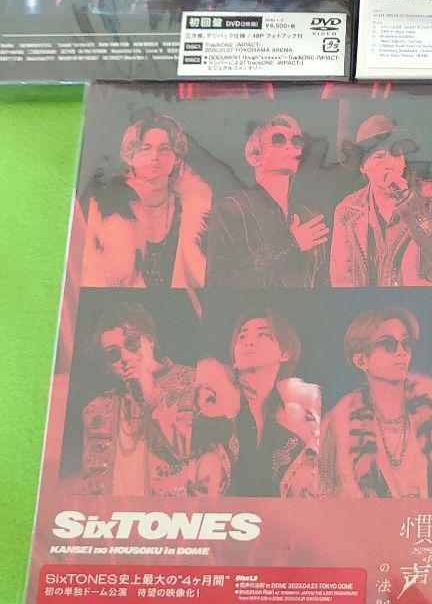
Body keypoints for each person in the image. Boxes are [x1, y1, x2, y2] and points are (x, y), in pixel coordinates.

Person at [320, 307, 432, 498]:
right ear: (361, 360)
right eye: (389, 344)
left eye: (406, 343)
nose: (401, 352)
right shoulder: (340, 426)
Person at [82, 109, 211, 288]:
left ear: (176, 158)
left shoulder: (193, 209)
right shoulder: (104, 206)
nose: (155, 157)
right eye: (145, 148)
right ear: (131, 156)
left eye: (164, 149)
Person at [79, 303, 195, 495]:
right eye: (113, 354)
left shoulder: (190, 382)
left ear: (150, 339)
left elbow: (194, 456)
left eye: (132, 343)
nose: (125, 357)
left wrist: (151, 398)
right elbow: (91, 483)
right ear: (106, 365)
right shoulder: (96, 410)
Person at [330, 114, 432, 287]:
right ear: (362, 166)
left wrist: (408, 202)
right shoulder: (347, 210)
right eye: (379, 156)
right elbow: (340, 279)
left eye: (396, 153)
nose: (390, 164)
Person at [205, 114, 329, 287]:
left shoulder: (309, 216)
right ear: (255, 155)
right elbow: (219, 283)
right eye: (278, 140)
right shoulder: (230, 210)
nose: (290, 147)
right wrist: (290, 242)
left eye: (296, 142)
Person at [224, 311, 320, 497]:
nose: (248, 342)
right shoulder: (213, 407)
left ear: (285, 353)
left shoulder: (302, 423)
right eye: (242, 336)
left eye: (262, 334)